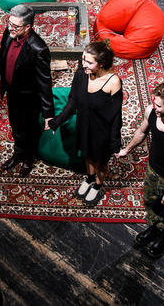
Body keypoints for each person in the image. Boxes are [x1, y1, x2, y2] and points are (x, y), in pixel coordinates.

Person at [116, 82, 164, 259]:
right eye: (154, 103)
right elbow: (141, 132)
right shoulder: (151, 111)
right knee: (151, 202)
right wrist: (127, 149)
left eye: (159, 106)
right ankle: (153, 228)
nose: (154, 108)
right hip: (153, 170)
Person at [45, 40, 123, 206]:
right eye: (83, 59)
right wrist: (56, 121)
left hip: (102, 130)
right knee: (87, 156)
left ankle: (98, 185)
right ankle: (89, 178)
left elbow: (117, 116)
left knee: (100, 162)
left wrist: (115, 143)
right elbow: (72, 102)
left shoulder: (113, 82)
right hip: (84, 125)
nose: (84, 64)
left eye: (89, 62)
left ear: (101, 64)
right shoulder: (81, 74)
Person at [0, 4, 55, 177]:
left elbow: (45, 82)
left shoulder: (39, 49)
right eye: (9, 23)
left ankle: (29, 157)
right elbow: (3, 52)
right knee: (16, 126)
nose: (10, 28)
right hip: (12, 92)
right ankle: (19, 153)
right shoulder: (10, 32)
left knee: (30, 129)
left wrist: (48, 114)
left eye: (15, 26)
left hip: (29, 98)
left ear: (28, 27)